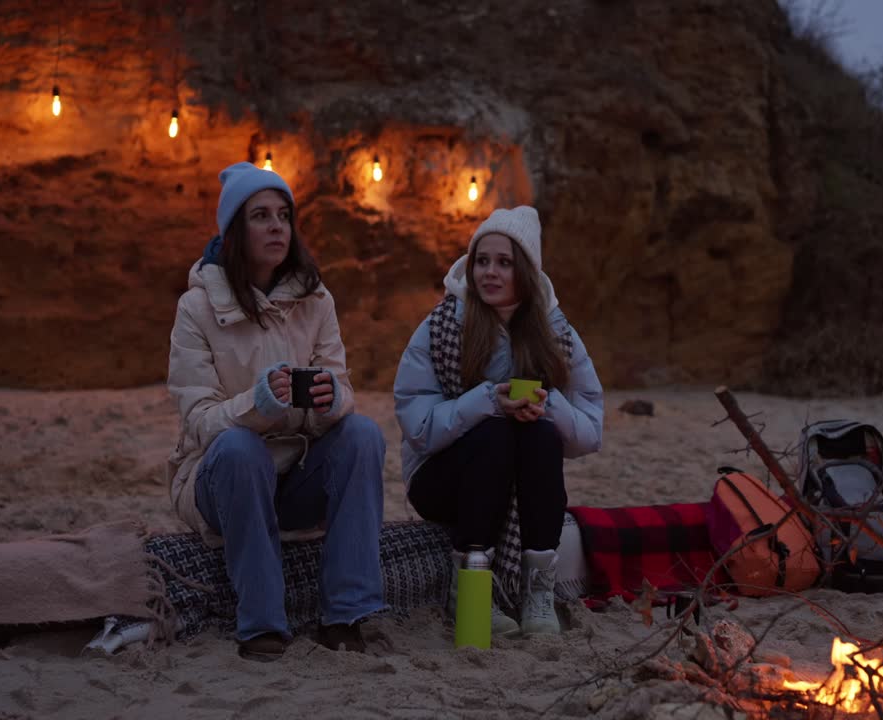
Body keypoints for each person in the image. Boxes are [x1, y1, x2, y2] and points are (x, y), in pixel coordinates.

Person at [166, 162, 386, 662]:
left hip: (296, 476)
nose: (276, 227)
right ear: (234, 230)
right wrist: (257, 406)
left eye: (284, 216)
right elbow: (199, 421)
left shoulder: (316, 300)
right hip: (219, 478)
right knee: (240, 448)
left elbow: (343, 386)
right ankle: (261, 624)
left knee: (363, 434)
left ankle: (345, 616)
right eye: (260, 216)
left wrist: (331, 401)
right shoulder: (196, 308)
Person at [393, 206, 604, 636]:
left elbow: (590, 432)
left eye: (504, 263)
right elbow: (418, 428)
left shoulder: (556, 333)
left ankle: (537, 591)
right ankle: (470, 589)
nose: (489, 272)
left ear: (525, 272)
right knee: (493, 433)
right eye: (482, 261)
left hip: (518, 478)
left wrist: (549, 406)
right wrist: (488, 401)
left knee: (540, 433)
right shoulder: (442, 326)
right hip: (442, 478)